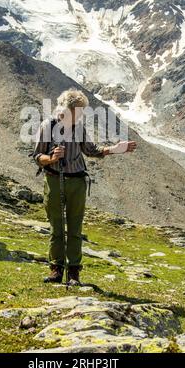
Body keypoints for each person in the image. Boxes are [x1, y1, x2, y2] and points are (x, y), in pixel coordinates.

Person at [33, 88, 137, 285]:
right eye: (77, 111)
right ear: (65, 109)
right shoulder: (47, 126)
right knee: (56, 227)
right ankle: (56, 270)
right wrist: (52, 158)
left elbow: (91, 150)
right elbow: (37, 156)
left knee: (75, 228)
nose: (80, 115)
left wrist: (114, 149)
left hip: (77, 182)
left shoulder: (79, 128)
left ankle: (73, 273)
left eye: (81, 112)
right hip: (54, 180)